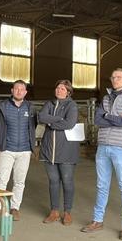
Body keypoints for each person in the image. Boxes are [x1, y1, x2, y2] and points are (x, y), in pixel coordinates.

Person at [81, 68, 122, 239]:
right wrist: (112, 116)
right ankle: (97, 220)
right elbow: (97, 120)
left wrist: (108, 116)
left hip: (121, 148)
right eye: (113, 77)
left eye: (119, 77)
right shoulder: (106, 98)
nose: (115, 79)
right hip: (103, 147)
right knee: (101, 185)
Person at [0, 80, 37, 221]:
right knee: (2, 179)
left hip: (24, 150)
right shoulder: (2, 107)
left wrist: (29, 144)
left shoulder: (30, 108)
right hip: (7, 149)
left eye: (22, 89)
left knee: (19, 181)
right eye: (16, 89)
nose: (19, 91)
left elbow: (33, 125)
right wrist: (1, 140)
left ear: (25, 92)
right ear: (12, 90)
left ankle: (15, 208)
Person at [38, 80, 80, 226]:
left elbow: (70, 124)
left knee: (67, 181)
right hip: (50, 150)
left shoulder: (71, 105)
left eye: (62, 89)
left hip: (67, 151)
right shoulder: (49, 103)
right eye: (57, 88)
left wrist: (50, 122)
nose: (59, 90)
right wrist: (59, 120)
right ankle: (54, 211)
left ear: (68, 92)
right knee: (53, 182)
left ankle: (67, 212)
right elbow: (41, 117)